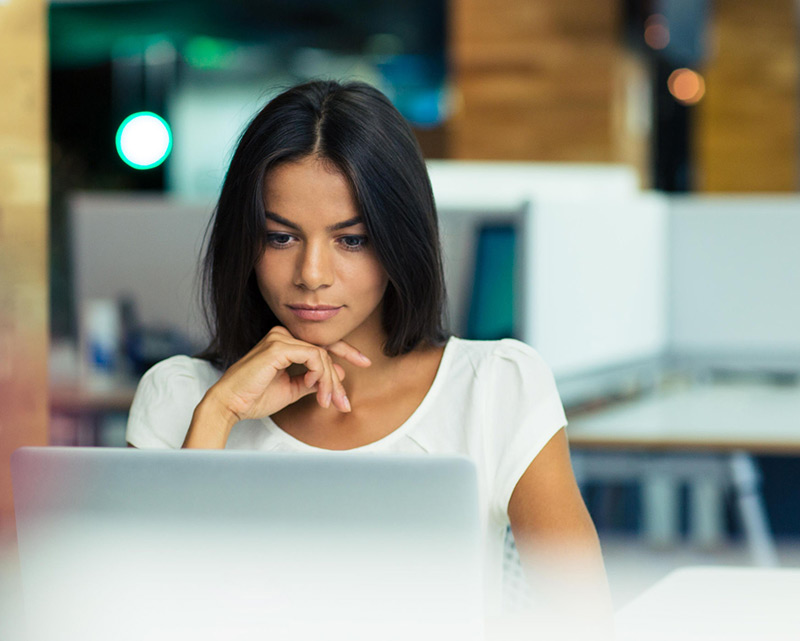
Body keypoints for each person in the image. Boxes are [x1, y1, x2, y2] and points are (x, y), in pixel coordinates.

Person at [125, 79, 612, 638]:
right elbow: (146, 617)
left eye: (350, 240)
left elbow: (586, 623)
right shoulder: (179, 399)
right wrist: (217, 417)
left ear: (398, 240)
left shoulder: (496, 388)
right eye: (280, 238)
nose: (311, 274)